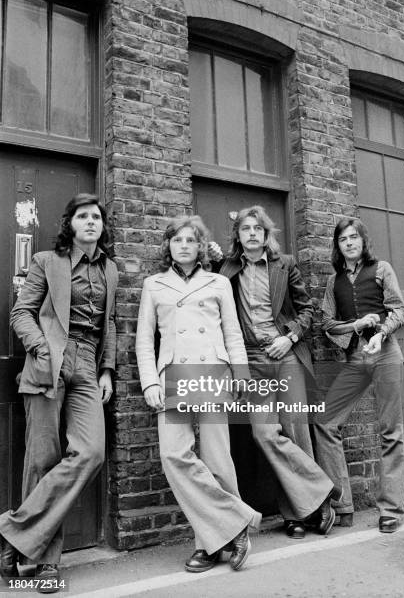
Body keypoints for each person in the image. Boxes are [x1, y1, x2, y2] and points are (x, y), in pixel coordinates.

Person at [0, 194, 118, 591]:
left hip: (87, 363)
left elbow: (111, 323)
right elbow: (21, 312)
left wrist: (107, 370)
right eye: (83, 216)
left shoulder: (111, 270)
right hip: (49, 360)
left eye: (96, 217)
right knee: (43, 458)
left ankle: (12, 529)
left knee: (90, 451)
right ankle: (44, 561)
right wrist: (40, 347)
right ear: (70, 224)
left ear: (103, 225)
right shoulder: (47, 262)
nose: (90, 222)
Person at [136, 215, 262, 573]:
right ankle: (236, 524)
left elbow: (234, 334)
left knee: (217, 459)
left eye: (191, 240)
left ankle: (210, 543)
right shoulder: (154, 285)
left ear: (201, 247)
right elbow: (145, 340)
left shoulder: (219, 282)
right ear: (169, 247)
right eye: (177, 240)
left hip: (212, 372)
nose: (185, 246)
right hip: (173, 374)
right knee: (174, 455)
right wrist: (150, 382)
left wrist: (240, 375)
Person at [217, 205, 339, 539]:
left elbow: (307, 310)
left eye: (258, 228)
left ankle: (296, 514)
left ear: (266, 233)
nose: (252, 233)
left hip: (285, 356)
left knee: (295, 431)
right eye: (246, 229)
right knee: (265, 434)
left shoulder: (285, 265)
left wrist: (290, 338)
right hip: (252, 360)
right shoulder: (225, 268)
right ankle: (321, 491)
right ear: (238, 236)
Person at [312, 217, 404, 533]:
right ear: (337, 246)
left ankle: (391, 509)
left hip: (385, 354)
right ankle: (342, 505)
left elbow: (399, 310)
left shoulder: (382, 269)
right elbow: (326, 324)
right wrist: (354, 326)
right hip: (356, 358)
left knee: (389, 429)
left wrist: (380, 331)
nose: (349, 243)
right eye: (343, 239)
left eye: (354, 237)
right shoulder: (333, 282)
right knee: (326, 422)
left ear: (363, 241)